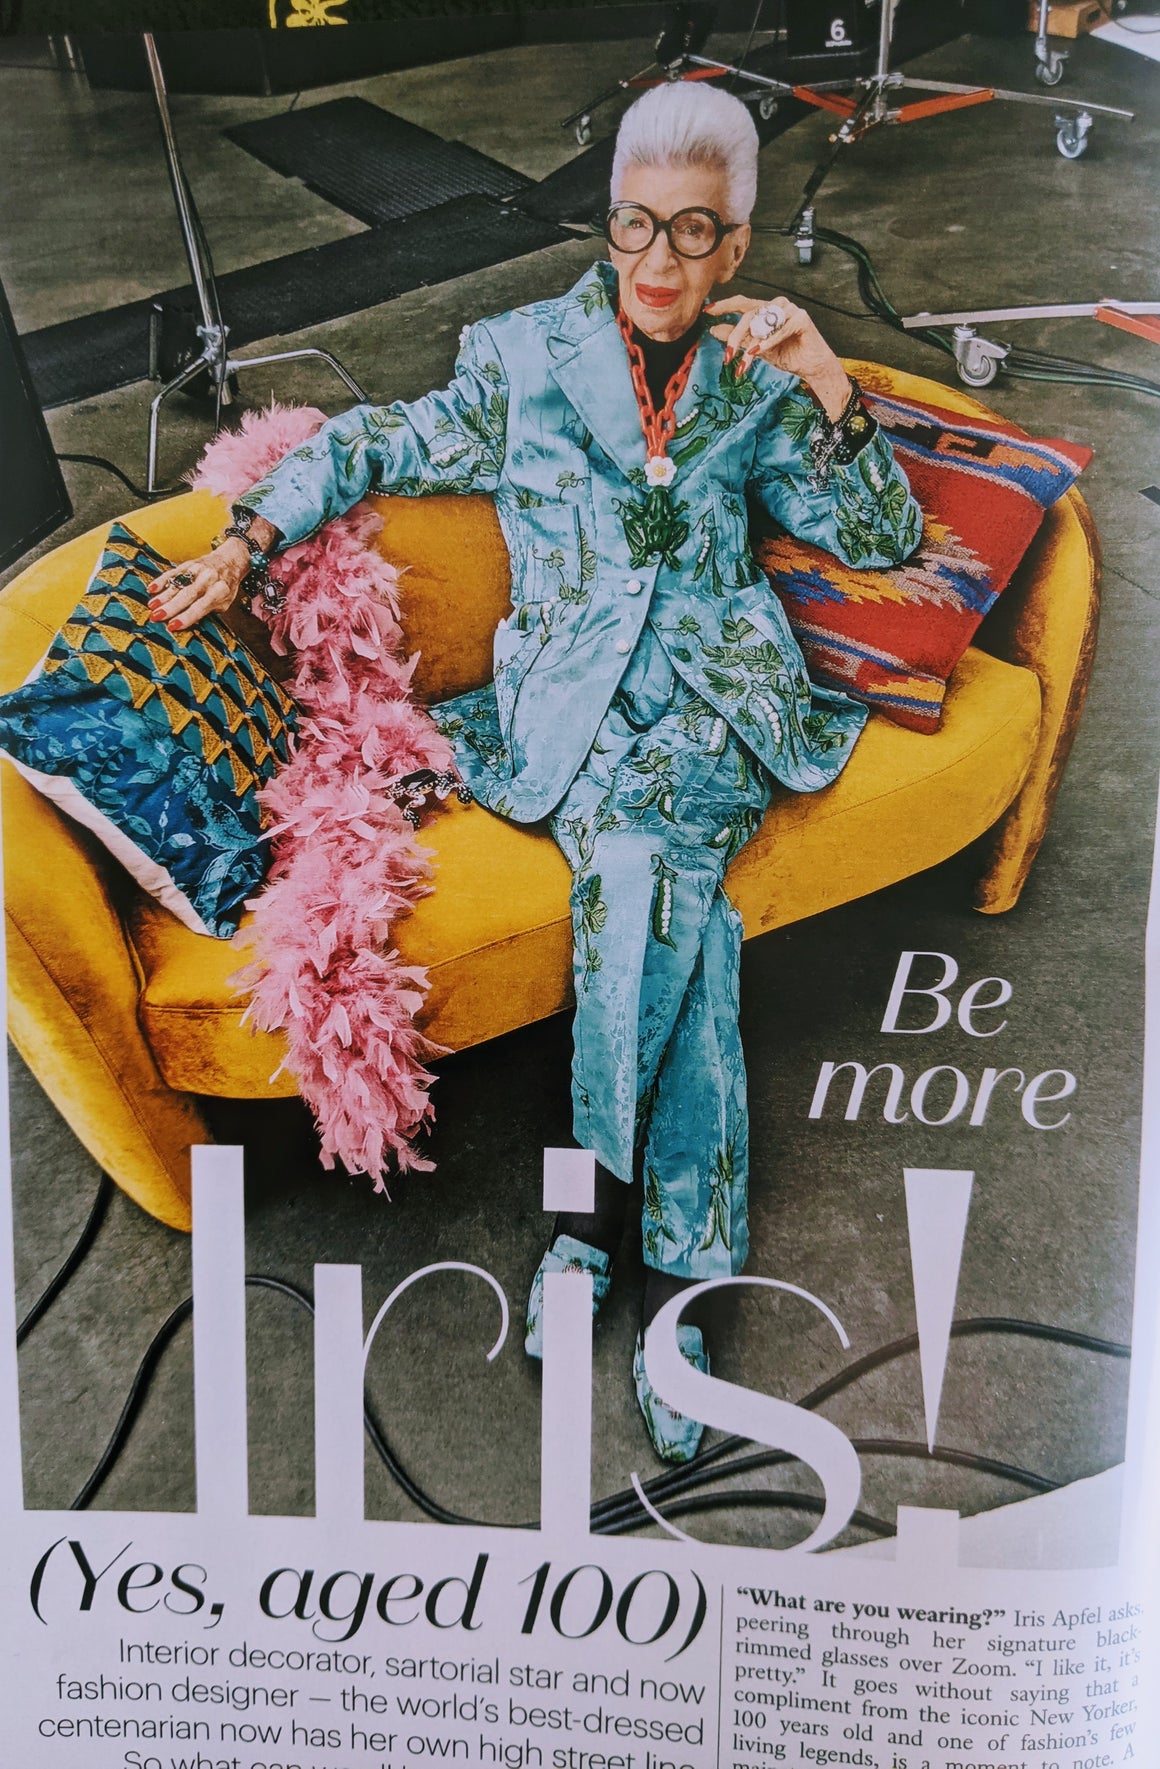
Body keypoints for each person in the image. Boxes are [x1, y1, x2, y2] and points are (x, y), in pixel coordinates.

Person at [149, 81, 922, 1462]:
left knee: (638, 870)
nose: (660, 260)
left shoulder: (759, 378)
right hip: (570, 721)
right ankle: (680, 1287)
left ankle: (585, 1226)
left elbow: (879, 538)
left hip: (717, 714)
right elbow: (376, 440)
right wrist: (246, 538)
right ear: (607, 221)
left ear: (736, 245)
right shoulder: (521, 358)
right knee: (680, 919)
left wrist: (828, 380)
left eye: (695, 231)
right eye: (636, 224)